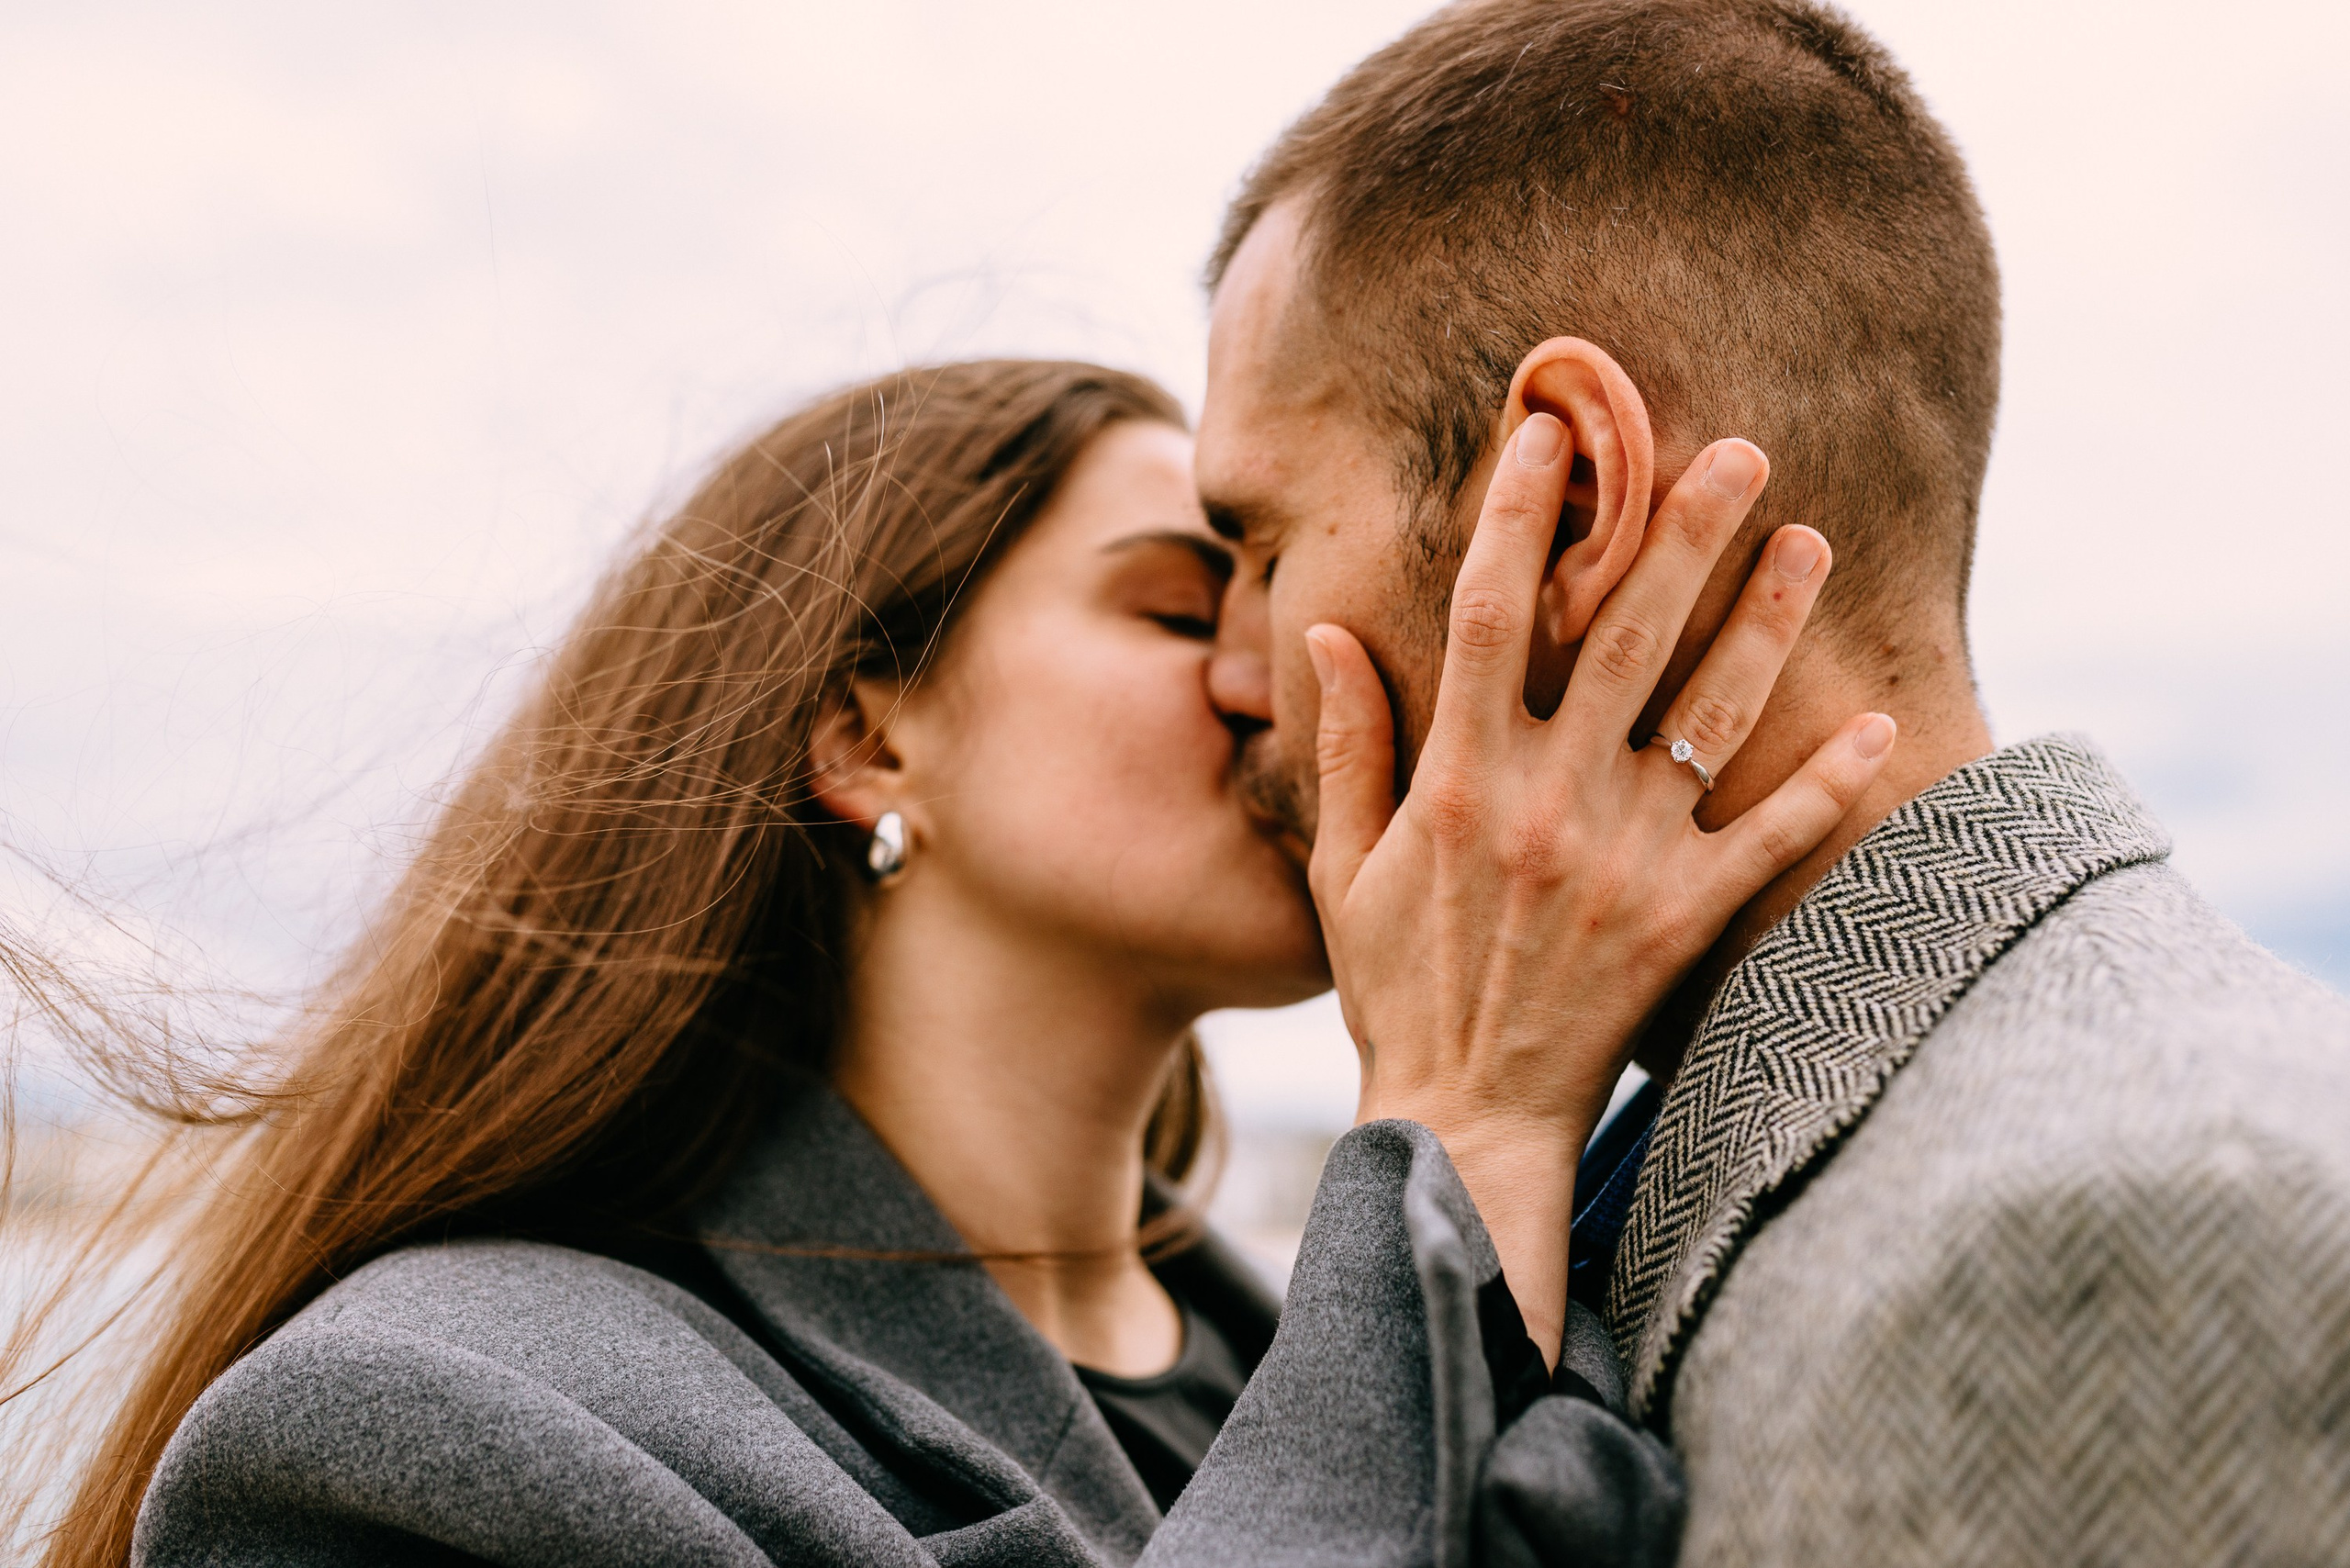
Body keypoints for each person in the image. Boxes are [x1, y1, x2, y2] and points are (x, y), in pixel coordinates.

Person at [48, 358, 1883, 1566]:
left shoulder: (1323, 1342)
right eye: (1182, 601)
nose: (1275, 677)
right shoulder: (430, 1423)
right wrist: (1466, 1118)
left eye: (1278, 586)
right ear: (866, 731)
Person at [1195, 1, 2350, 1562]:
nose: (1230, 671)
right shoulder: (1711, 1150)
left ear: (1571, 502)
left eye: (1259, 544)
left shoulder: (2147, 1229)